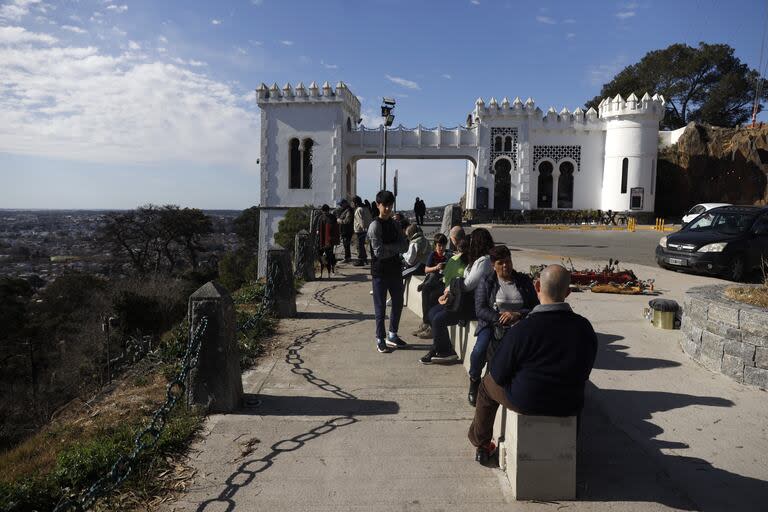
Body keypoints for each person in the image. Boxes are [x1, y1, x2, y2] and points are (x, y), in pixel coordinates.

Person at [468, 265, 598, 465]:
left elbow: (499, 374)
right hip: (568, 402)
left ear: (537, 286)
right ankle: (571, 446)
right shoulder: (584, 328)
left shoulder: (523, 329)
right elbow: (585, 371)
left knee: (486, 386)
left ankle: (481, 443)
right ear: (568, 292)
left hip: (527, 401)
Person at [468, 245, 538, 406]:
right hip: (492, 325)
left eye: (508, 261)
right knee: (480, 350)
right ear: (493, 265)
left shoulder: (523, 281)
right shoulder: (487, 281)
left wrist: (517, 314)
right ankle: (474, 381)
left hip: (520, 325)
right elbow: (480, 309)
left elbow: (535, 306)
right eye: (500, 263)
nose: (505, 265)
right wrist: (499, 318)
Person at [420, 228, 496, 364]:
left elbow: (467, 284)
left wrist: (453, 284)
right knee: (432, 313)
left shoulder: (484, 261)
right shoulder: (477, 259)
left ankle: (445, 352)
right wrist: (449, 290)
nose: (470, 243)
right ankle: (443, 348)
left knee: (438, 319)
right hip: (463, 300)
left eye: (472, 240)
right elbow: (463, 279)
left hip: (472, 305)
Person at [367, 190, 409, 353]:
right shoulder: (374, 226)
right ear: (378, 205)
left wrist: (389, 248)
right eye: (385, 205)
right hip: (380, 272)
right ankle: (380, 338)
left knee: (398, 304)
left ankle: (392, 334)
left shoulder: (395, 224)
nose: (388, 209)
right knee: (380, 308)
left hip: (395, 270)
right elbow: (378, 252)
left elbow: (404, 247)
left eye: (390, 205)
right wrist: (394, 248)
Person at [413, 233, 451, 338]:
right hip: (433, 280)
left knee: (431, 296)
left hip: (442, 283)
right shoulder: (433, 255)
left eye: (443, 245)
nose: (441, 248)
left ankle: (429, 324)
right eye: (439, 245)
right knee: (427, 289)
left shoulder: (448, 255)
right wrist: (436, 267)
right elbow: (426, 269)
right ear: (435, 245)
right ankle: (426, 322)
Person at [317, 204, 340, 277]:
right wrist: (317, 230)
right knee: (323, 253)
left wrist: (335, 238)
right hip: (322, 238)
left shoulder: (332, 217)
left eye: (326, 211)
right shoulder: (321, 217)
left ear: (328, 211)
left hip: (330, 238)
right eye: (324, 212)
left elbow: (336, 227)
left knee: (330, 254)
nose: (325, 213)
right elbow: (318, 226)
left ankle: (332, 268)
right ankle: (325, 270)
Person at [352, 196, 372, 266]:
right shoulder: (366, 208)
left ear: (356, 203)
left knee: (359, 245)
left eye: (353, 203)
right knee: (362, 245)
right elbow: (369, 218)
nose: (353, 204)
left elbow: (361, 221)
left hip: (359, 230)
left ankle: (360, 260)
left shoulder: (358, 210)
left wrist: (363, 227)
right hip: (366, 229)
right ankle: (364, 259)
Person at [336, 199, 354, 263]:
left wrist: (339, 221)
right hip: (344, 230)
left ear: (345, 203)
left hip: (347, 230)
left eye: (341, 204)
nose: (340, 206)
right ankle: (347, 257)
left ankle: (347, 258)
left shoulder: (349, 210)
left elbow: (347, 221)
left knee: (346, 244)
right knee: (345, 244)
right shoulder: (344, 210)